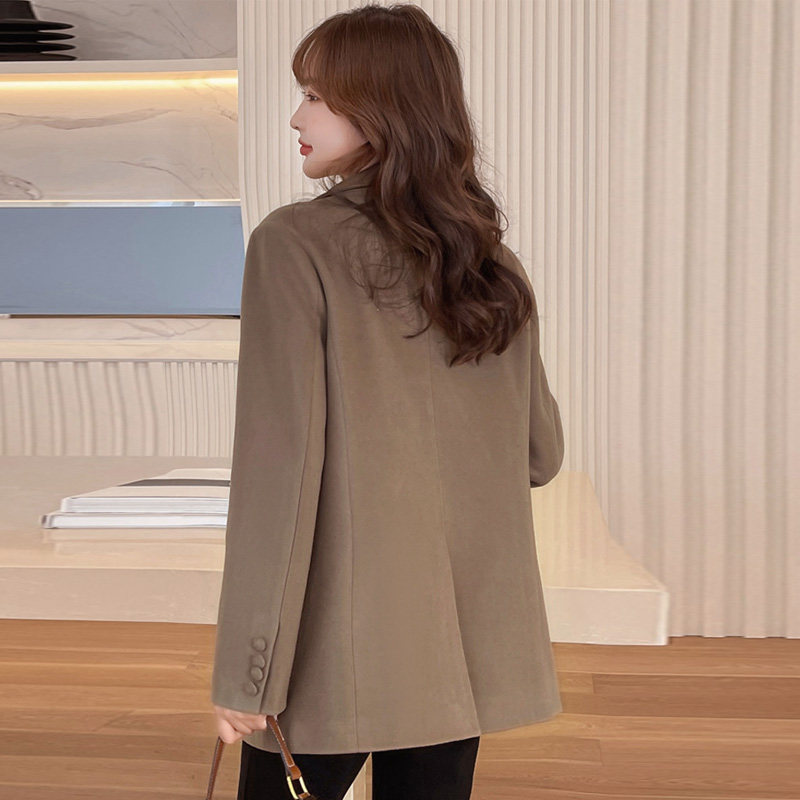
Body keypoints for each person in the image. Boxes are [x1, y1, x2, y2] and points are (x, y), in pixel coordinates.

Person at [210, 4, 565, 799]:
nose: (296, 117)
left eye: (316, 96)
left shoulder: (293, 244)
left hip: (338, 650)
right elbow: (540, 454)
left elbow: (279, 483)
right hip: (459, 653)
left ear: (381, 107)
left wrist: (246, 673)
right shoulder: (488, 259)